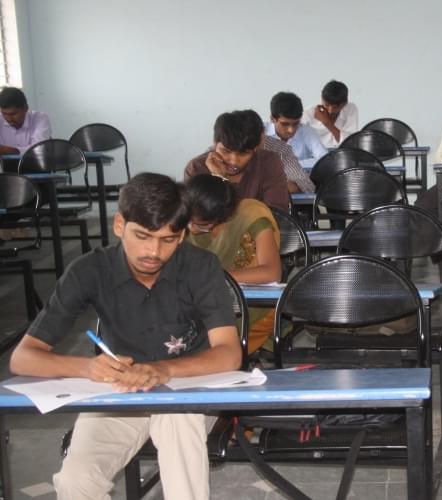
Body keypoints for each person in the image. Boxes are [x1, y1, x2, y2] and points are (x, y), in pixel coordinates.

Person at [9, 173, 241, 499]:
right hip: (120, 393)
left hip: (189, 386)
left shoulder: (201, 266)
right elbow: (23, 357)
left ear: (183, 235)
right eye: (142, 236)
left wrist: (164, 370)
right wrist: (87, 368)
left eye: (168, 240)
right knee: (77, 481)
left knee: (176, 417)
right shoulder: (89, 270)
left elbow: (229, 353)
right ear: (120, 225)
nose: (154, 252)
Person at [185, 174, 281, 354]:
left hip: (253, 309)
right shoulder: (182, 218)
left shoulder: (251, 214)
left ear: (222, 217)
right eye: (187, 221)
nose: (190, 229)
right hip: (206, 305)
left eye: (201, 225)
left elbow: (271, 272)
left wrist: (214, 276)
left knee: (211, 348)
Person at [184, 109, 290, 209]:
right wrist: (220, 179)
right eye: (226, 151)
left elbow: (276, 213)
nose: (234, 161)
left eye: (243, 154)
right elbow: (201, 216)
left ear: (255, 148)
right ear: (215, 143)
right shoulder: (197, 168)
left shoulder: (269, 162)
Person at [266, 91, 328, 171]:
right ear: (273, 119)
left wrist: (290, 165)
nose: (291, 130)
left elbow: (324, 159)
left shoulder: (307, 131)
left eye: (296, 123)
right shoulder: (260, 132)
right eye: (285, 124)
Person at [302, 80, 359, 148]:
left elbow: (350, 143)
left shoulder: (350, 109)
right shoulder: (308, 113)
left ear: (345, 103)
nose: (330, 111)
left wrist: (327, 122)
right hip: (315, 155)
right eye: (326, 105)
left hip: (342, 153)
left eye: (335, 107)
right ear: (321, 99)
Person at [0, 86, 51, 154]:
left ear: (26, 108)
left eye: (13, 114)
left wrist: (10, 151)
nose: (9, 119)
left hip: (34, 164)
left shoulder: (40, 119)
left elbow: (39, 149)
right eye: (4, 114)